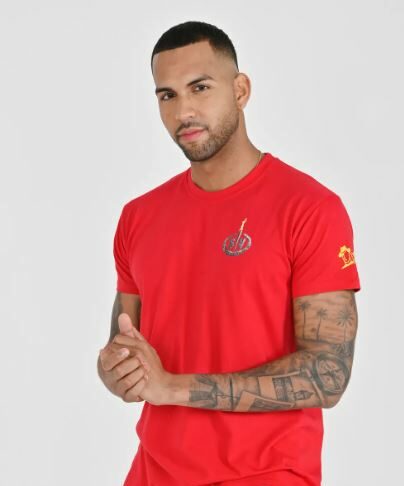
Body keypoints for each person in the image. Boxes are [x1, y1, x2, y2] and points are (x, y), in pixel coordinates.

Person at [97, 20, 361, 486]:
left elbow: (329, 373)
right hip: (154, 471)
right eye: (167, 95)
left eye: (200, 88)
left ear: (240, 90)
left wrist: (173, 387)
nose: (184, 111)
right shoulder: (138, 217)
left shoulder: (310, 209)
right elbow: (127, 346)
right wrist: (115, 370)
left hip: (266, 473)